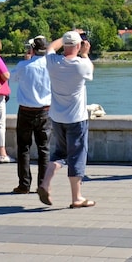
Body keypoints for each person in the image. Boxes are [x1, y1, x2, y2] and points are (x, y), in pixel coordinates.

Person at [39, 30, 95, 208]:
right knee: (77, 156)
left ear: (65, 45)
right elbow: (88, 66)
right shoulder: (81, 65)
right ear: (78, 46)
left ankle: (45, 183)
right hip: (76, 118)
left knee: (59, 153)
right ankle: (76, 197)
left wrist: (65, 37)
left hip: (57, 117)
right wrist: (85, 53)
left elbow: (50, 48)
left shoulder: (53, 63)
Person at [10, 36, 52, 194]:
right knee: (44, 149)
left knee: (23, 148)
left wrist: (26, 59)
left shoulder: (23, 65)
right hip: (45, 110)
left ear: (32, 49)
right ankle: (43, 184)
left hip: (26, 110)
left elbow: (12, 78)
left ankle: (24, 184)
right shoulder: (50, 66)